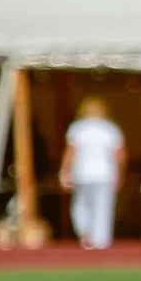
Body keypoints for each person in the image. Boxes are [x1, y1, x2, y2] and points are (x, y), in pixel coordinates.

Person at [59, 97, 126, 250]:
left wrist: (64, 170)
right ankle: (101, 241)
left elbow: (70, 153)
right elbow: (120, 155)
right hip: (104, 174)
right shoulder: (110, 128)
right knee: (102, 208)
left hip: (82, 174)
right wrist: (120, 173)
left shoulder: (77, 128)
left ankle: (84, 234)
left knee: (81, 205)